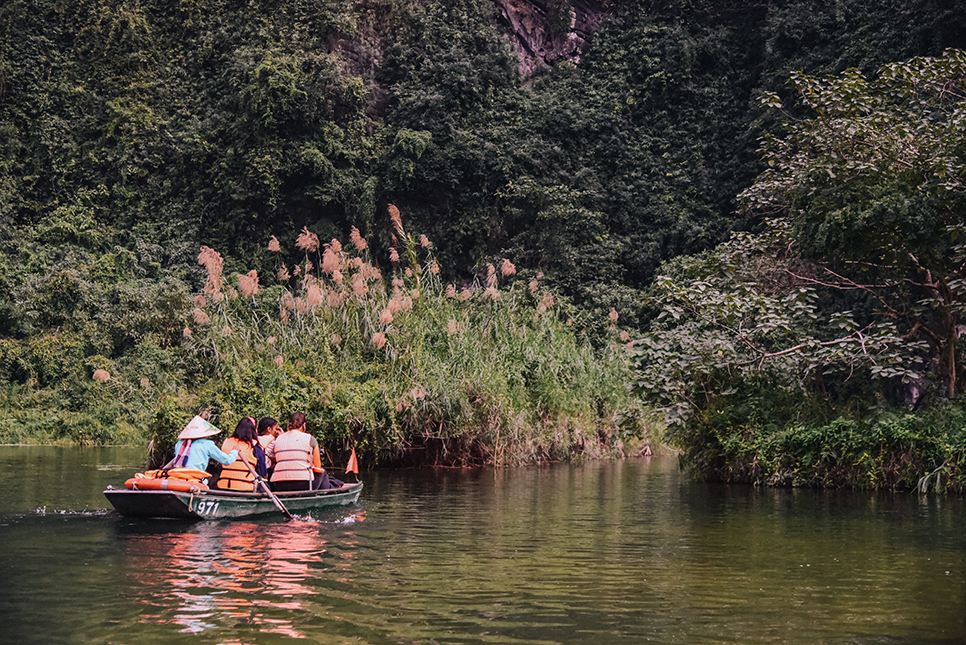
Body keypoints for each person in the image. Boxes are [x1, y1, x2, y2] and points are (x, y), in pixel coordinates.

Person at [267, 412, 340, 491]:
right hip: (304, 484)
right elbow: (317, 466)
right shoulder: (310, 438)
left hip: (279, 484)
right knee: (322, 472)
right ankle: (325, 495)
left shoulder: (278, 439)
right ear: (304, 425)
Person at [169, 416, 238, 476]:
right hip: (194, 478)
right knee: (206, 481)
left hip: (178, 475)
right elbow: (227, 461)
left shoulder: (179, 443)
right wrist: (235, 451)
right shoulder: (208, 444)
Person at [216, 417, 268, 491]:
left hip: (223, 485)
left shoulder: (227, 442)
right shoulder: (254, 446)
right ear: (253, 430)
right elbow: (263, 472)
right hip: (245, 487)